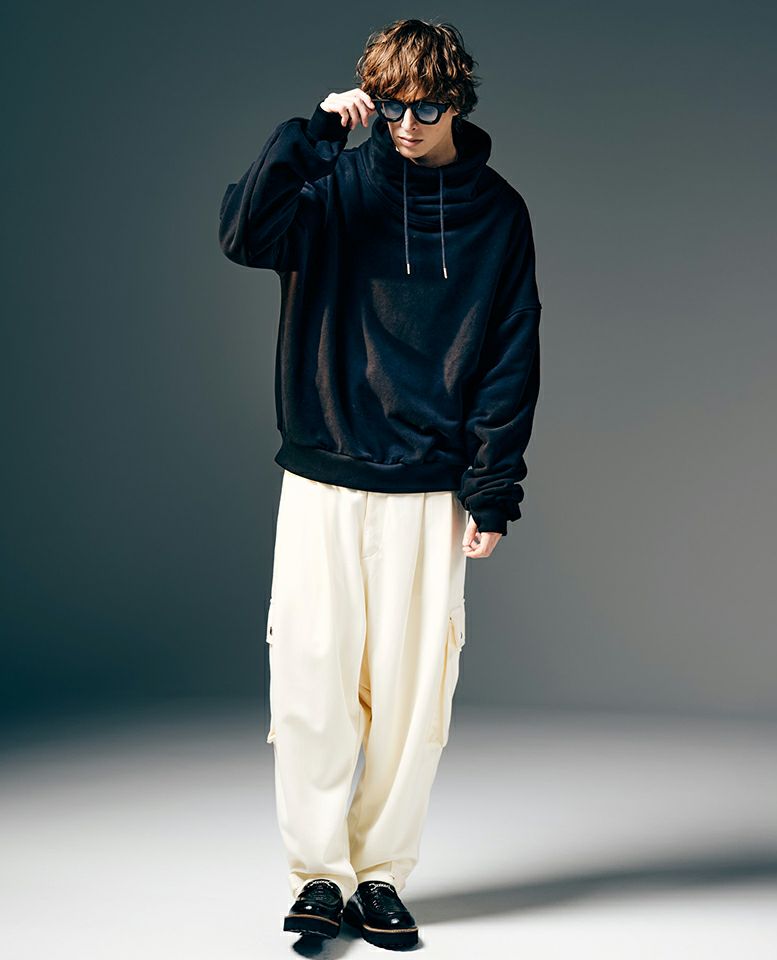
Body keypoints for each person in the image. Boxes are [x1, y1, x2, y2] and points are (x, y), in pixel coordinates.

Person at [218, 18, 542, 950]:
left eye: (426, 108)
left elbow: (511, 353)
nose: (405, 125)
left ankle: (381, 878)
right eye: (391, 106)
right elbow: (243, 234)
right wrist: (313, 134)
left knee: (411, 699)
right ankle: (318, 878)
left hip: (431, 488)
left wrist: (493, 487)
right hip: (323, 472)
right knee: (310, 684)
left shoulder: (497, 212)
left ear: (458, 103)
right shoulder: (328, 185)